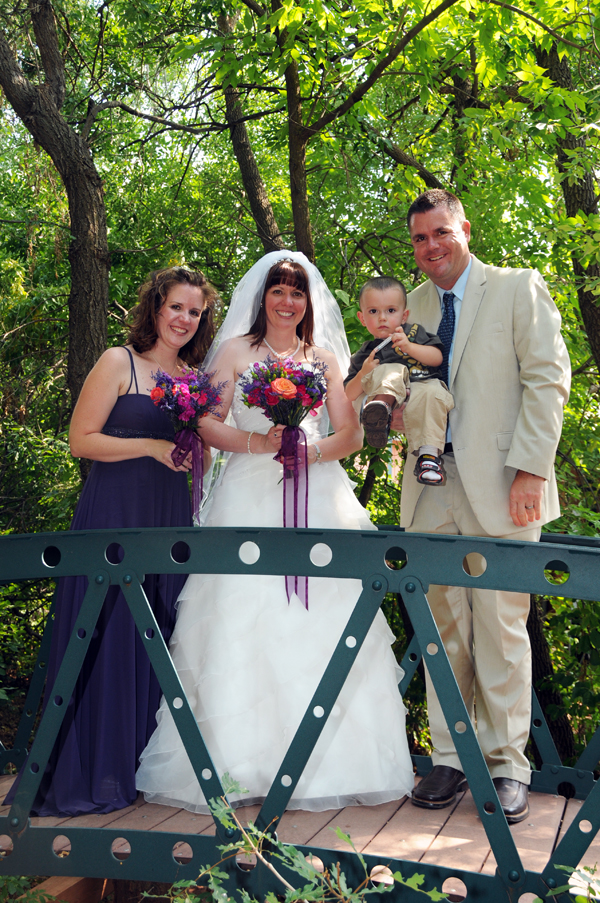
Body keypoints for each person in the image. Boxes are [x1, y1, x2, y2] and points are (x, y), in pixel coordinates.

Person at [135, 250, 415, 813]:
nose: (288, 302)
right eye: (278, 291)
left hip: (317, 496)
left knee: (322, 622)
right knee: (241, 617)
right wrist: (257, 442)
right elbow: (208, 422)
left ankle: (329, 768)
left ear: (309, 302)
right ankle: (238, 765)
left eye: (297, 292)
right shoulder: (237, 352)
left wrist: (308, 451)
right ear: (262, 298)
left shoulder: (325, 357)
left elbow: (350, 433)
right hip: (246, 494)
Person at [6, 266, 216, 816]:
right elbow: (81, 440)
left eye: (195, 312)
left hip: (169, 518)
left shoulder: (194, 378)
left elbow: (200, 452)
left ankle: (138, 770)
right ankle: (93, 771)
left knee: (158, 634)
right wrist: (149, 446)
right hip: (114, 515)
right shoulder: (118, 362)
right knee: (108, 631)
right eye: (177, 307)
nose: (184, 319)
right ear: (155, 306)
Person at [400, 189, 570, 823]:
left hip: (504, 486)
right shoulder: (410, 306)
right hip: (428, 488)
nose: (431, 248)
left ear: (463, 228)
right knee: (441, 627)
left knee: (501, 624)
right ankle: (449, 756)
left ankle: (505, 766)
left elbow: (548, 378)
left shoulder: (517, 287)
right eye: (420, 239)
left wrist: (530, 470)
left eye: (441, 232)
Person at [344, 276, 454, 484]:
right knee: (389, 370)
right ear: (362, 318)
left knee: (433, 393)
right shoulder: (367, 353)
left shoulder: (413, 334)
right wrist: (363, 372)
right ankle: (380, 410)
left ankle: (429, 457)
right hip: (395, 399)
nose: (382, 318)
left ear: (404, 316)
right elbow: (349, 393)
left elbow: (438, 358)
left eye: (391, 311)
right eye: (373, 311)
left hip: (423, 386)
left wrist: (409, 347)